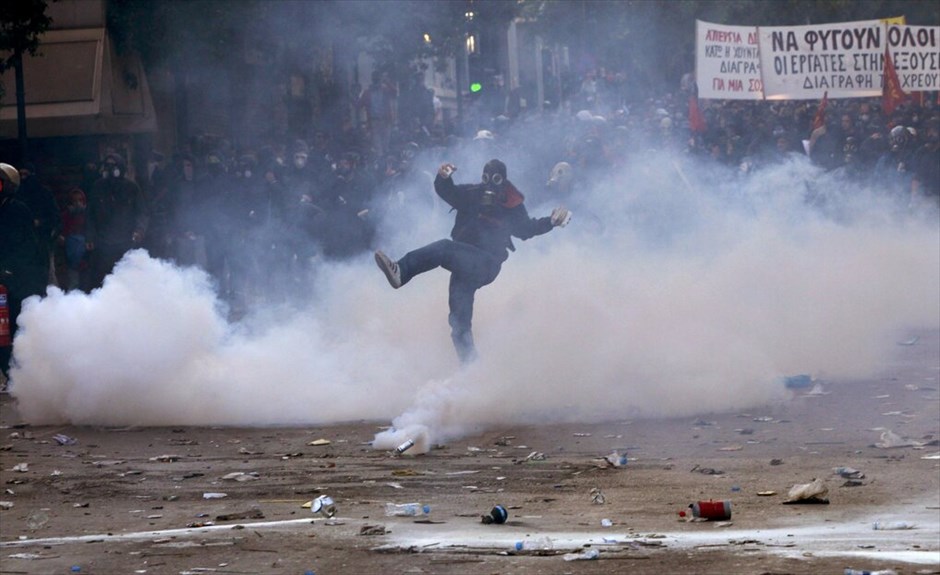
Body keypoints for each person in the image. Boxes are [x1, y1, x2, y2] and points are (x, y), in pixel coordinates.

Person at [374, 159, 571, 363]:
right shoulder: (472, 194)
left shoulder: (511, 204)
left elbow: (526, 229)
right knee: (459, 323)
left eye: (495, 179)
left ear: (503, 180)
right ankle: (471, 369)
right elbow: (447, 192)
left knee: (443, 248)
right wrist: (443, 177)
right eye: (486, 178)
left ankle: (401, 271)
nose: (490, 184)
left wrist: (551, 222)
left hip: (487, 262)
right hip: (463, 265)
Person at [0, 163, 46, 382]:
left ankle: (19, 375)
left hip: (16, 279)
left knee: (13, 328)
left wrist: (9, 269)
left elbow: (26, 246)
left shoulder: (18, 210)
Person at [85, 152, 149, 290]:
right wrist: (89, 236)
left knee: (127, 276)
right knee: (103, 278)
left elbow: (141, 212)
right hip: (103, 242)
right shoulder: (98, 187)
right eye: (107, 165)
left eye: (113, 165)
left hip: (125, 241)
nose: (109, 168)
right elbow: (90, 214)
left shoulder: (131, 187)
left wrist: (139, 230)